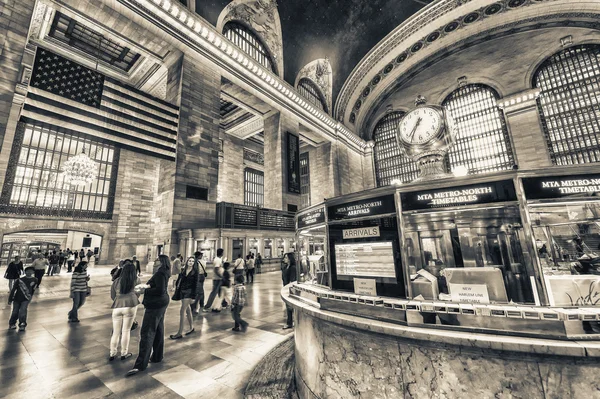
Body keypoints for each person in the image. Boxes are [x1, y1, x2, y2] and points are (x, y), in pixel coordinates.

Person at [126, 254, 171, 377]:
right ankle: (157, 356)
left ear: (162, 262)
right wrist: (148, 285)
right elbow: (159, 287)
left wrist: (144, 290)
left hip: (156, 305)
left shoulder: (161, 273)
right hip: (162, 302)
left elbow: (160, 290)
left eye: (157, 260)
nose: (155, 261)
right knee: (159, 330)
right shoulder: (164, 271)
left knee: (147, 332)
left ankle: (141, 364)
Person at [109, 261, 141, 361]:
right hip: (131, 305)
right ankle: (124, 353)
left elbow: (112, 295)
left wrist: (118, 299)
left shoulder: (117, 281)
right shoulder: (136, 280)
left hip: (117, 306)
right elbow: (138, 292)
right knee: (126, 330)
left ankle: (112, 353)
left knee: (116, 332)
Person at [170, 257, 200, 339]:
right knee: (188, 309)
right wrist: (177, 289)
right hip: (182, 291)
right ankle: (191, 327)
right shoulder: (183, 270)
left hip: (189, 292)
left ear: (194, 263)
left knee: (182, 310)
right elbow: (180, 280)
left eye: (193, 261)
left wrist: (194, 296)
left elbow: (196, 285)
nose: (191, 262)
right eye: (189, 261)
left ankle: (179, 333)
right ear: (187, 262)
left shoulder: (195, 272)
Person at [8, 266, 37, 331]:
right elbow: (13, 290)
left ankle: (22, 324)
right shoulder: (19, 280)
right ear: (25, 272)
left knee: (23, 311)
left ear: (33, 272)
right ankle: (12, 323)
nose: (29, 272)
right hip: (17, 298)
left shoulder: (35, 280)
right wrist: (10, 299)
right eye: (27, 271)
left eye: (31, 271)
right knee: (15, 311)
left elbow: (33, 290)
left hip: (26, 299)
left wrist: (30, 298)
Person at [282, 252, 297, 330]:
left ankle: (290, 322)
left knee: (290, 306)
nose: (284, 259)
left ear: (290, 259)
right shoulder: (285, 267)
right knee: (288, 307)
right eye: (284, 257)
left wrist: (289, 289)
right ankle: (290, 322)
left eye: (286, 258)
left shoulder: (293, 268)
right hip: (285, 287)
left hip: (290, 289)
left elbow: (292, 280)